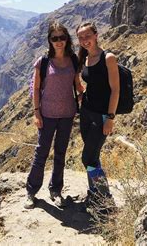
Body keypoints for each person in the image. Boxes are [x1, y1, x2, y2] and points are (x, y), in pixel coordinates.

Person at [24, 22, 84, 209]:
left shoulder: (73, 60)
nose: (59, 42)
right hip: (47, 114)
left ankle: (56, 191)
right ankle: (31, 192)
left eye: (62, 37)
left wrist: (87, 95)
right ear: (50, 41)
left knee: (60, 153)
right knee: (41, 152)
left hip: (67, 114)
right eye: (54, 38)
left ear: (67, 39)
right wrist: (36, 112)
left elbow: (77, 84)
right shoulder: (43, 62)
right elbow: (35, 88)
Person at [76, 22, 119, 214]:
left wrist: (110, 117)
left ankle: (105, 198)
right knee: (93, 157)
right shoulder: (85, 58)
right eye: (81, 37)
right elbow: (89, 83)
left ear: (96, 35)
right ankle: (95, 194)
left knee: (87, 157)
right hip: (85, 112)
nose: (85, 40)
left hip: (101, 115)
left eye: (88, 36)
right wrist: (82, 95)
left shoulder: (108, 58)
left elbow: (115, 90)